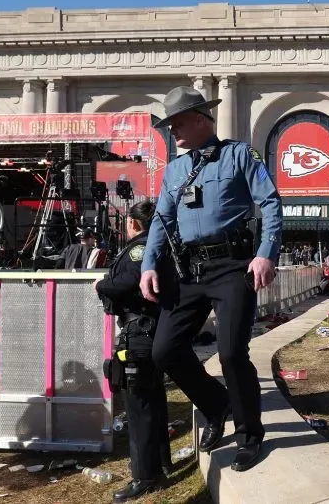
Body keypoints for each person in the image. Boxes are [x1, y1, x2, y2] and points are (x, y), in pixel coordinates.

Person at [139, 86, 283, 472]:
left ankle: (250, 435)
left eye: (178, 123)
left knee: (233, 352)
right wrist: (148, 265)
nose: (172, 132)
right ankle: (217, 404)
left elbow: (270, 203)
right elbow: (162, 221)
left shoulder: (239, 155)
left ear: (202, 120)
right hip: (190, 271)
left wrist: (265, 253)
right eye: (169, 125)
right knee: (164, 350)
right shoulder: (174, 170)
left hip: (233, 268)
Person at [95, 200, 173, 501]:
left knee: (140, 406)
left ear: (133, 224)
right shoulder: (156, 246)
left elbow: (124, 282)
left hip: (139, 332)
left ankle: (144, 476)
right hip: (149, 330)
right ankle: (162, 463)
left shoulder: (140, 249)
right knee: (153, 400)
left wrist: (101, 285)